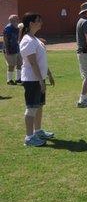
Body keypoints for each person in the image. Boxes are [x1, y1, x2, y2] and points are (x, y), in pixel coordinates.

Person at [19, 13, 55, 147]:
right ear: (30, 24)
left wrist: (49, 74)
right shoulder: (27, 40)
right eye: (38, 21)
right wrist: (40, 80)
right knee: (31, 108)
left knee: (39, 106)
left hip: (39, 78)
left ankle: (38, 131)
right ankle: (29, 137)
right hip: (32, 79)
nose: (41, 22)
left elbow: (41, 61)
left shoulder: (35, 39)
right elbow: (33, 63)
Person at [3, 15, 22, 85]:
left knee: (20, 63)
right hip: (9, 49)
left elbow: (18, 38)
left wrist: (20, 30)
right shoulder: (8, 28)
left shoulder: (17, 28)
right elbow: (6, 40)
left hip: (16, 48)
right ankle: (9, 80)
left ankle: (18, 79)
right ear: (12, 21)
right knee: (11, 65)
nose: (18, 20)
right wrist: (7, 50)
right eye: (16, 19)